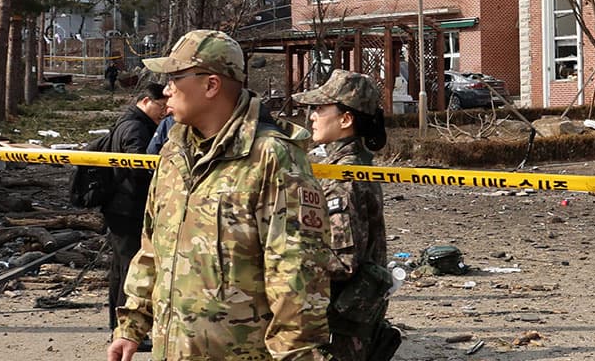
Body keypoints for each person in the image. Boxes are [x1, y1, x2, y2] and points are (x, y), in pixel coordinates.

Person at [107, 29, 333, 361]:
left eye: (176, 78)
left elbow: (298, 276)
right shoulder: (173, 153)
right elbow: (152, 248)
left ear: (211, 85)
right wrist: (132, 326)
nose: (166, 90)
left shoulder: (272, 157)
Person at [294, 70, 401, 361]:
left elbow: (343, 262)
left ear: (345, 119)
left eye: (319, 109)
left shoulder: (345, 176)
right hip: (349, 320)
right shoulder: (347, 165)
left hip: (342, 328)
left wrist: (284, 258)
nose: (312, 117)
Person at [102, 83, 169, 334]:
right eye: (160, 106)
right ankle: (126, 327)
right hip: (129, 206)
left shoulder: (128, 122)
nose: (163, 112)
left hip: (120, 205)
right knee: (130, 268)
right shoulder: (136, 127)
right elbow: (138, 165)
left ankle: (117, 323)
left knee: (120, 268)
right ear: (145, 101)